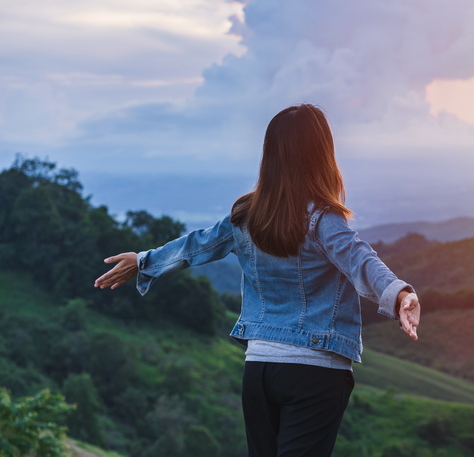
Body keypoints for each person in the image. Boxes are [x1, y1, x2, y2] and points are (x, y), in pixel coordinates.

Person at [94, 104, 421, 457]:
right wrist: (399, 293)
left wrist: (145, 261)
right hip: (316, 371)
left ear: (271, 155)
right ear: (322, 154)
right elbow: (360, 259)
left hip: (260, 367)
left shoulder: (246, 216)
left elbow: (195, 245)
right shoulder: (323, 219)